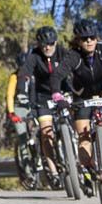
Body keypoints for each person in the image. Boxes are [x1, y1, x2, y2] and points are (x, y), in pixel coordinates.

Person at [49, 18, 102, 196]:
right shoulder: (73, 56)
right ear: (78, 41)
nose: (89, 41)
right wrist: (57, 96)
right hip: (82, 96)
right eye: (84, 39)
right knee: (83, 138)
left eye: (92, 37)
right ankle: (89, 170)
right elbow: (56, 77)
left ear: (96, 38)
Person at [17, 26, 67, 183]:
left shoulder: (63, 52)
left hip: (64, 93)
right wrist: (22, 89)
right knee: (46, 133)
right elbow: (25, 73)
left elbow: (76, 66)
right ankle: (53, 170)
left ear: (56, 42)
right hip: (43, 97)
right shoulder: (34, 56)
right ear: (38, 44)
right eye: (44, 44)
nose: (48, 47)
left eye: (51, 43)